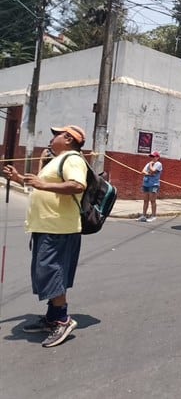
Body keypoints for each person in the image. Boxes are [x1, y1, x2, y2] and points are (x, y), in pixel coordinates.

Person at [2, 124, 88, 347]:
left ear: (69, 139)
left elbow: (77, 185)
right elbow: (42, 187)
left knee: (51, 271)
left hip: (58, 228)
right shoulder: (57, 160)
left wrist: (42, 183)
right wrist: (21, 178)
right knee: (46, 272)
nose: (52, 138)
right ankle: (52, 317)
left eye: (57, 134)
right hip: (46, 226)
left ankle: (62, 320)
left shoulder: (73, 159)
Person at [137, 151, 163, 222]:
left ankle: (153, 215)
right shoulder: (148, 163)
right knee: (145, 200)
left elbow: (153, 171)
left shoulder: (158, 164)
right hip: (146, 184)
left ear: (157, 157)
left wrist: (151, 166)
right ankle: (144, 215)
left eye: (153, 156)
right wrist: (149, 173)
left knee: (152, 200)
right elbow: (143, 171)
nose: (152, 158)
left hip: (154, 185)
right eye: (151, 156)